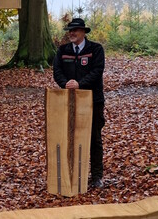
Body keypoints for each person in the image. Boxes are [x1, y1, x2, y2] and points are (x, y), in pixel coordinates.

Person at [53, 17, 105, 189]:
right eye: (70, 30)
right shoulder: (62, 50)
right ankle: (74, 176)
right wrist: (65, 84)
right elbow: (57, 71)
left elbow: (97, 71)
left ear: (83, 32)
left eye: (75, 30)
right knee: (69, 137)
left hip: (93, 101)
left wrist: (80, 84)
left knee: (94, 138)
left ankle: (97, 176)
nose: (72, 33)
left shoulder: (96, 49)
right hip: (68, 101)